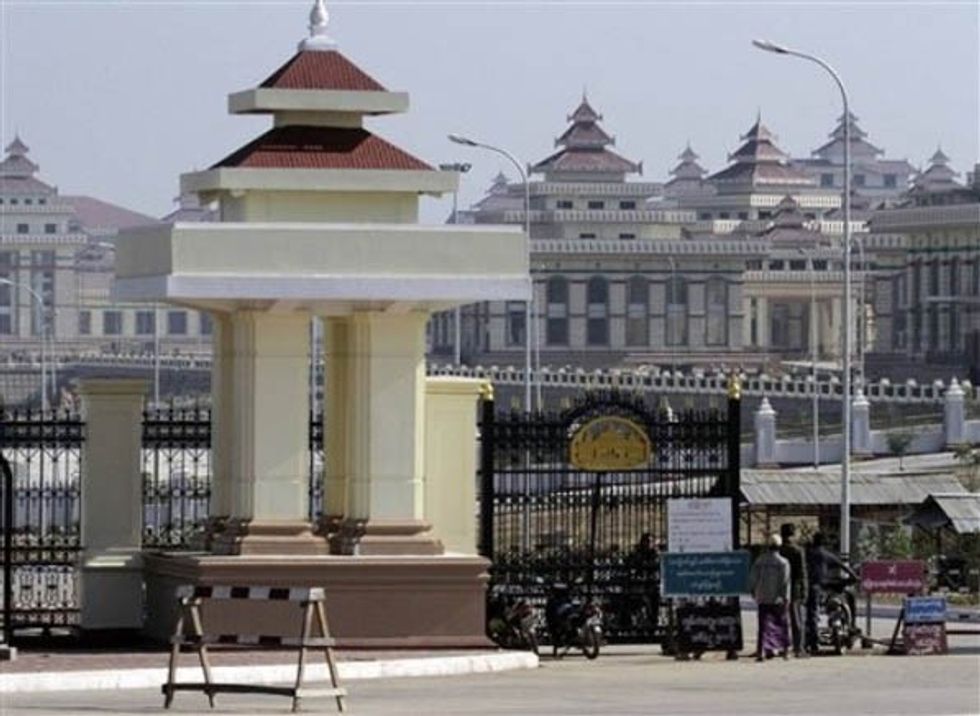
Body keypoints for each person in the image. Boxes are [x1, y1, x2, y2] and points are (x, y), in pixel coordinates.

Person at [804, 532, 859, 654]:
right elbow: (842, 566)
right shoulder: (826, 555)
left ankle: (810, 642)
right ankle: (851, 626)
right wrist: (854, 577)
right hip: (822, 585)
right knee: (813, 614)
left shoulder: (809, 554)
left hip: (812, 586)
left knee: (811, 614)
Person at [749, 534, 791, 661]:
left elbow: (753, 578)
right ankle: (784, 651)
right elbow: (785, 582)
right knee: (781, 624)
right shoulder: (783, 562)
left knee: (763, 626)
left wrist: (753, 591)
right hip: (777, 599)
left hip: (763, 597)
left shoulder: (760, 561)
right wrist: (786, 597)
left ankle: (761, 651)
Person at [779, 523, 809, 657]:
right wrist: (805, 590)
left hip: (779, 588)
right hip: (794, 587)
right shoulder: (798, 551)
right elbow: (802, 573)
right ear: (793, 534)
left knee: (780, 618)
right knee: (797, 619)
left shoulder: (778, 550)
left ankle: (782, 646)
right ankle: (798, 648)